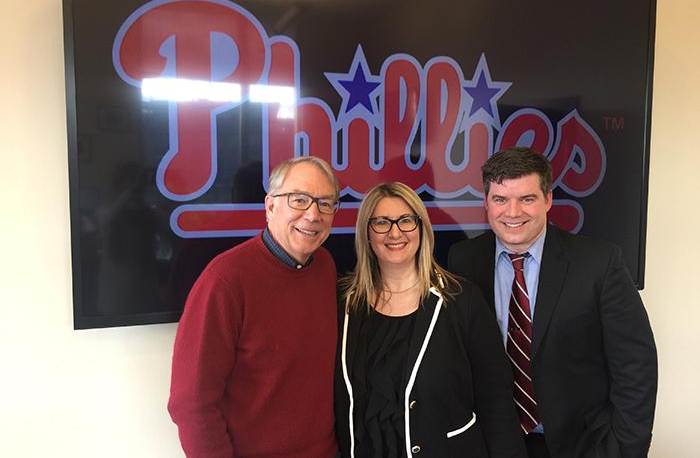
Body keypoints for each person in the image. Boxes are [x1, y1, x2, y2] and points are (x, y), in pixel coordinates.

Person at [448, 148, 657, 458]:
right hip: (495, 443)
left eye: (527, 199)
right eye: (501, 200)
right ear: (487, 202)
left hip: (582, 445)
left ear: (547, 200)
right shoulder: (463, 260)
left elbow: (635, 365)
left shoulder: (599, 262)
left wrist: (624, 448)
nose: (513, 212)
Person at [336, 182, 527, 458]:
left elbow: (496, 401)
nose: (395, 232)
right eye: (381, 222)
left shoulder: (463, 301)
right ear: (366, 232)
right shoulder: (343, 302)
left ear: (421, 227)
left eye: (406, 221)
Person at [168, 156, 341, 458]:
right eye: (299, 200)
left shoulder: (325, 266)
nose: (313, 214)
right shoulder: (225, 281)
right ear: (271, 206)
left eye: (325, 203)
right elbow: (191, 404)